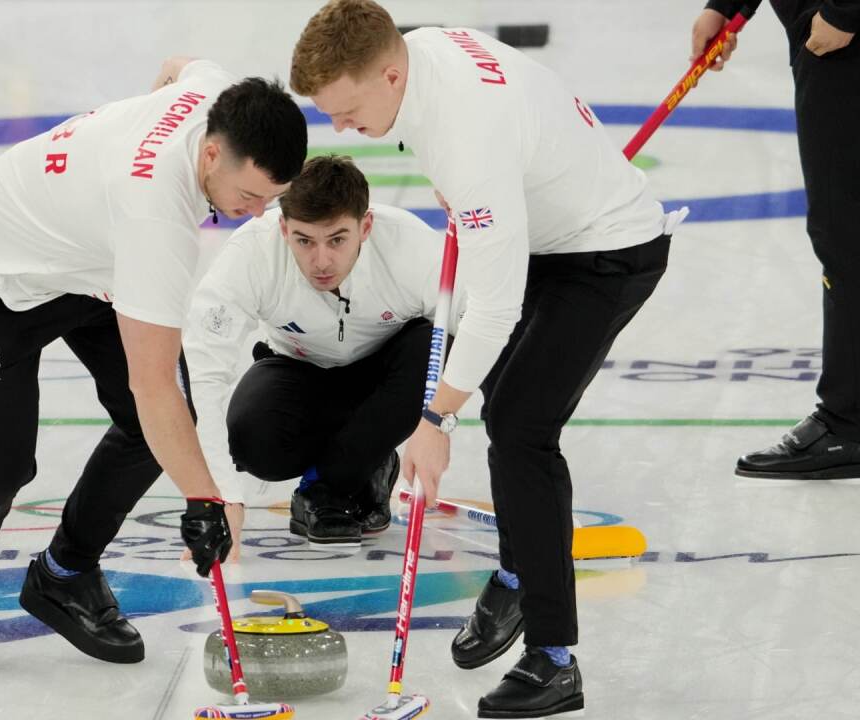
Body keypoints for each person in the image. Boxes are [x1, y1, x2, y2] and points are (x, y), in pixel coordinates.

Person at [291, 2, 684, 717]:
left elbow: (497, 309)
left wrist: (436, 416)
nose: (340, 129)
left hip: (606, 253)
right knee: (504, 398)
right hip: (542, 231)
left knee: (520, 429)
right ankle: (518, 569)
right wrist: (482, 202)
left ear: (389, 73)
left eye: (346, 111)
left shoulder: (464, 134)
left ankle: (554, 659)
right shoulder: (421, 55)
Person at [0, 57, 307, 670]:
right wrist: (203, 501)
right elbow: (153, 384)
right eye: (249, 196)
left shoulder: (218, 94)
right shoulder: (155, 216)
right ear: (211, 154)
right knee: (1, 468)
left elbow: (182, 64)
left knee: (148, 430)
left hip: (91, 264)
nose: (256, 214)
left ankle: (65, 573)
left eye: (273, 199)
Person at [183, 155, 461, 552]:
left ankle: (327, 486)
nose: (321, 261)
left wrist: (439, 419)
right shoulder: (251, 254)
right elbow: (201, 372)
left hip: (389, 374)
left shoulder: (412, 247)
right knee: (252, 441)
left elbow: (477, 327)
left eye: (337, 239)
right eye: (304, 241)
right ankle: (369, 459)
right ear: (283, 227)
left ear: (365, 226)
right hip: (299, 369)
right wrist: (218, 495)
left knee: (439, 343)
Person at [691, 1, 860, 480]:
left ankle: (847, 423)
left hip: (840, 42)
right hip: (830, 38)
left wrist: (846, 11)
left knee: (845, 234)